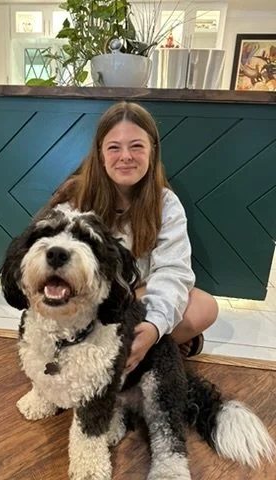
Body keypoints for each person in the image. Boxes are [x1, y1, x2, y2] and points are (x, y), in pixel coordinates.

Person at [48, 101, 218, 373]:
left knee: (205, 306)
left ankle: (145, 344)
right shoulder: (74, 199)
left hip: (139, 296)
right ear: (100, 154)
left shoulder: (166, 204)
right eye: (114, 147)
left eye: (137, 146)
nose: (125, 156)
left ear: (152, 150)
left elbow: (173, 271)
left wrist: (153, 325)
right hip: (89, 298)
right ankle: (159, 348)